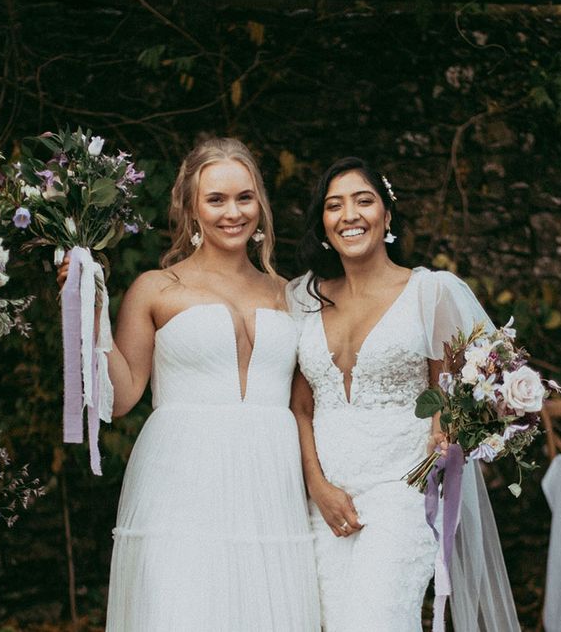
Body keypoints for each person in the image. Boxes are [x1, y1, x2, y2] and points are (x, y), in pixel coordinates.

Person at [58, 138, 320, 631]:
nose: (232, 212)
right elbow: (122, 397)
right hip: (183, 480)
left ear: (260, 204)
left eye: (244, 197)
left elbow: (307, 404)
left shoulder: (292, 295)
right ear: (191, 209)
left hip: (272, 481)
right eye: (216, 200)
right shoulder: (158, 288)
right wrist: (90, 312)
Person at [287, 157, 520, 631]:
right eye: (334, 205)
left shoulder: (430, 292)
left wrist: (447, 424)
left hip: (402, 493)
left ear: (387, 216)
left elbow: (463, 388)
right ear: (323, 224)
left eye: (363, 201)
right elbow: (301, 405)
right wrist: (317, 486)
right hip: (323, 498)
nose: (349, 214)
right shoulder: (303, 299)